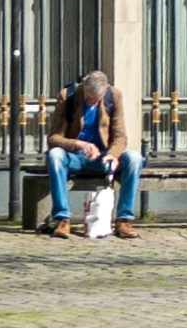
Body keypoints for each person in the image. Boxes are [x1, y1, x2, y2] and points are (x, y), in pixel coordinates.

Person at [48, 70, 140, 238]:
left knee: (134, 158)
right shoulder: (67, 95)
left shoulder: (114, 96)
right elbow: (53, 137)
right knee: (55, 155)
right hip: (75, 156)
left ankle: (124, 219)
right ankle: (62, 219)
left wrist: (112, 154)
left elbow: (120, 136)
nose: (91, 102)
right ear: (83, 87)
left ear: (104, 92)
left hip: (103, 157)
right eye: (88, 97)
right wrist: (78, 144)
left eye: (95, 99)